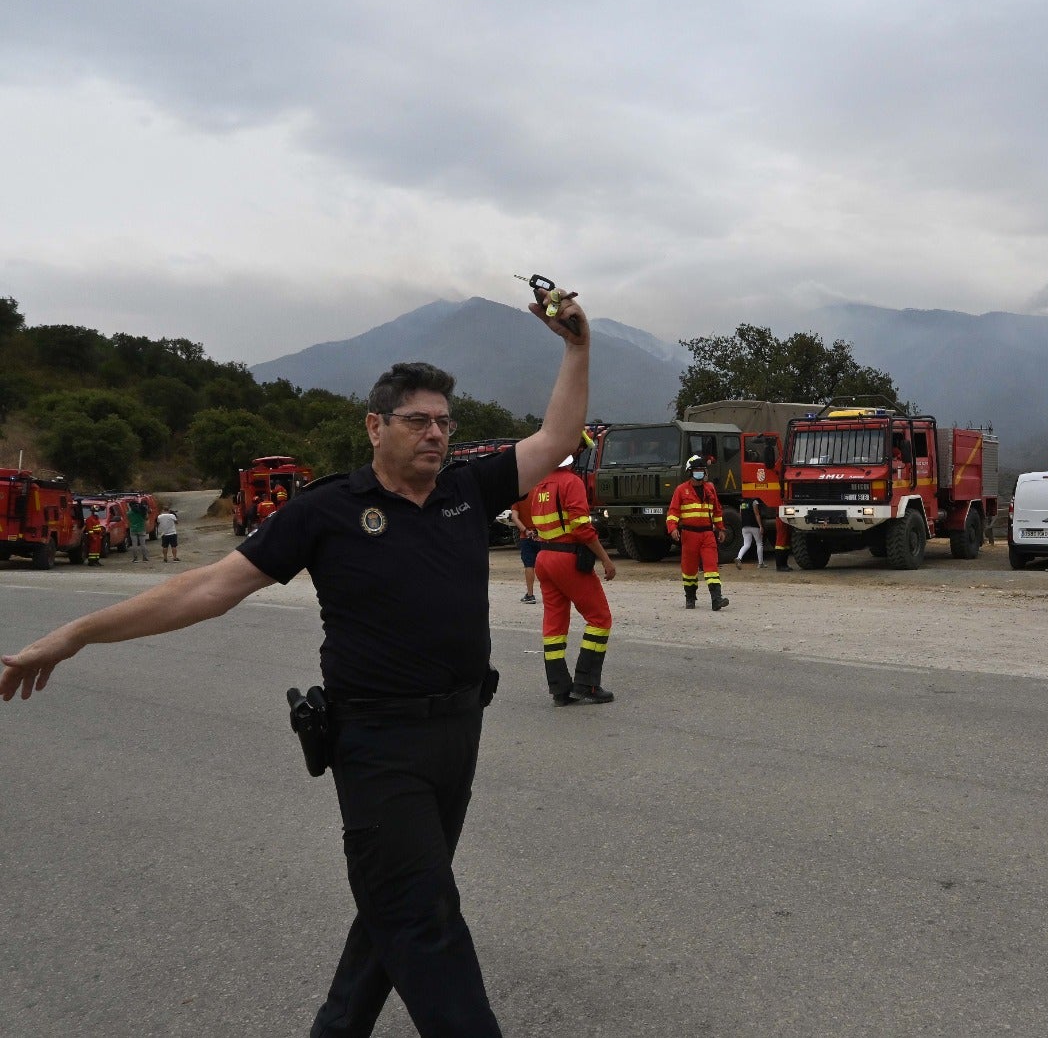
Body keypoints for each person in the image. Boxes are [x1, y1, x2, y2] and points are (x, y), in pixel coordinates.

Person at [2, 286, 592, 1037]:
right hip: (377, 745)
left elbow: (555, 437)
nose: (436, 435)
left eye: (446, 422)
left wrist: (576, 347)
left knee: (394, 908)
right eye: (418, 421)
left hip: (458, 734)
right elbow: (208, 587)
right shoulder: (326, 511)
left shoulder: (466, 490)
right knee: (425, 921)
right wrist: (79, 631)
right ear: (375, 425)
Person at [529, 436, 618, 704]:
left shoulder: (540, 484)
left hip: (544, 558)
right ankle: (587, 684)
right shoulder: (571, 482)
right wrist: (605, 558)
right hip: (567, 559)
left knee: (554, 625)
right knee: (600, 618)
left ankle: (559, 689)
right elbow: (581, 528)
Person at [666, 454, 728, 609]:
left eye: (702, 469)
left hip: (707, 534)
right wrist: (673, 528)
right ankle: (690, 597)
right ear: (690, 472)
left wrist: (721, 529)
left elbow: (717, 511)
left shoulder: (710, 488)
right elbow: (672, 512)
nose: (700, 472)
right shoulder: (681, 490)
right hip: (689, 534)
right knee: (689, 568)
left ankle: (716, 599)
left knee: (711, 566)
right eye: (697, 470)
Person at [510, 491, 541, 604]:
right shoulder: (540, 493)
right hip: (541, 535)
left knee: (529, 565)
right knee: (546, 566)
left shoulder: (518, 497)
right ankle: (552, 593)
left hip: (526, 536)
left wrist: (526, 530)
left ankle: (530, 594)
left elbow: (514, 517)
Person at [734, 495, 764, 569]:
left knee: (746, 544)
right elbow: (757, 514)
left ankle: (739, 558)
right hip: (754, 526)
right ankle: (760, 563)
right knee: (759, 543)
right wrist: (760, 525)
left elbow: (741, 514)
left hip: (745, 527)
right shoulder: (754, 502)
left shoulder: (742, 503)